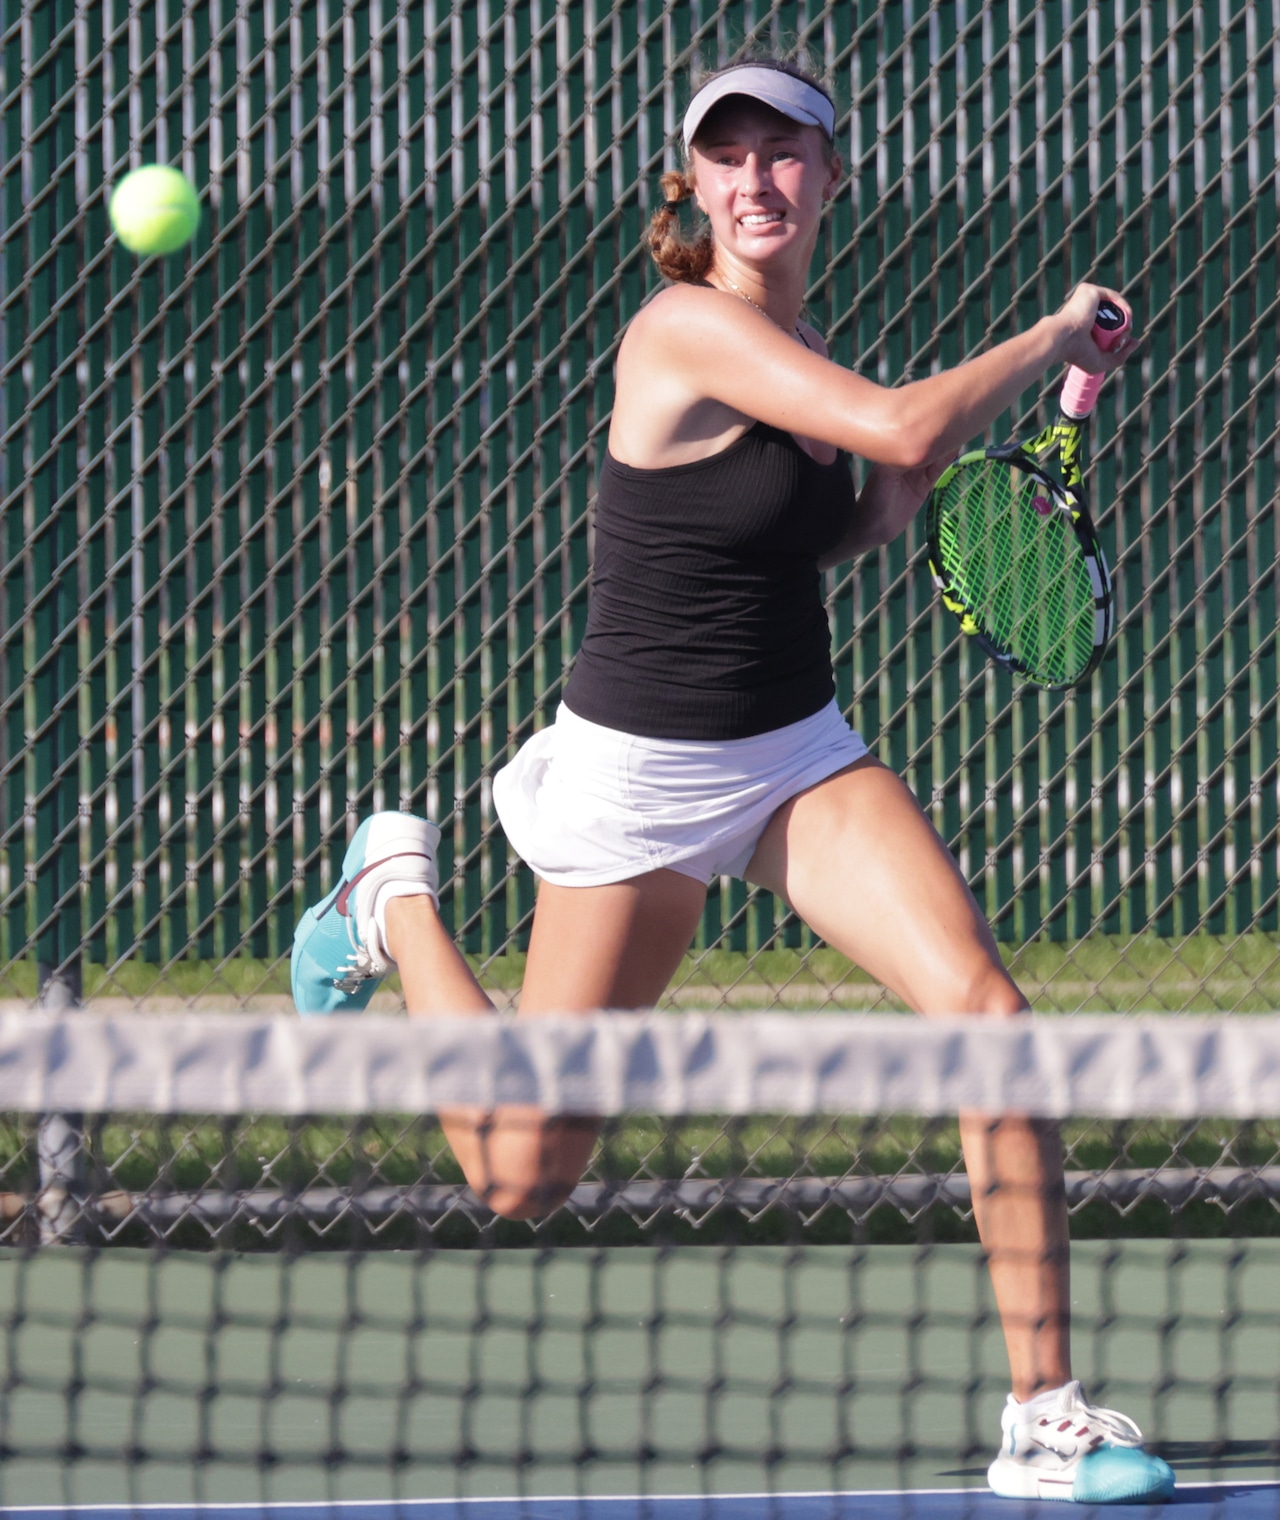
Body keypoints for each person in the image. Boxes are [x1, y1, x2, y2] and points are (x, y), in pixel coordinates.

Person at [290, 57, 1170, 1506]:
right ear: (693, 187)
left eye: (785, 152)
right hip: (636, 778)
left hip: (792, 753)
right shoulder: (682, 327)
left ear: (830, 177)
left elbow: (835, 512)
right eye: (729, 155)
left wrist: (889, 507)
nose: (758, 179)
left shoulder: (803, 342)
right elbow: (902, 424)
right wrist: (1052, 334)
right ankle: (391, 900)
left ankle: (1045, 1414)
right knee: (521, 1173)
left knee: (991, 1019)